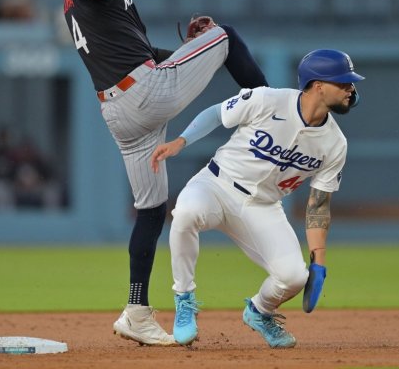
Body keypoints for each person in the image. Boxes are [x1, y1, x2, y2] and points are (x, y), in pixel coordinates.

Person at [62, 0, 268, 346]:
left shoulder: (89, 1)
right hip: (145, 96)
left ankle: (136, 309)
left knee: (152, 211)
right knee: (228, 35)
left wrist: (183, 50)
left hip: (121, 112)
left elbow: (140, 52)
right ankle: (273, 114)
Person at [150, 49, 365, 348]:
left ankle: (260, 312)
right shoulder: (268, 99)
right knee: (186, 212)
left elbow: (318, 204)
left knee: (293, 277)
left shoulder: (335, 143)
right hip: (217, 184)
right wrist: (181, 140)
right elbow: (216, 113)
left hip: (262, 207)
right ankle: (184, 299)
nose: (350, 89)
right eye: (343, 83)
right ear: (318, 86)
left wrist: (318, 261)